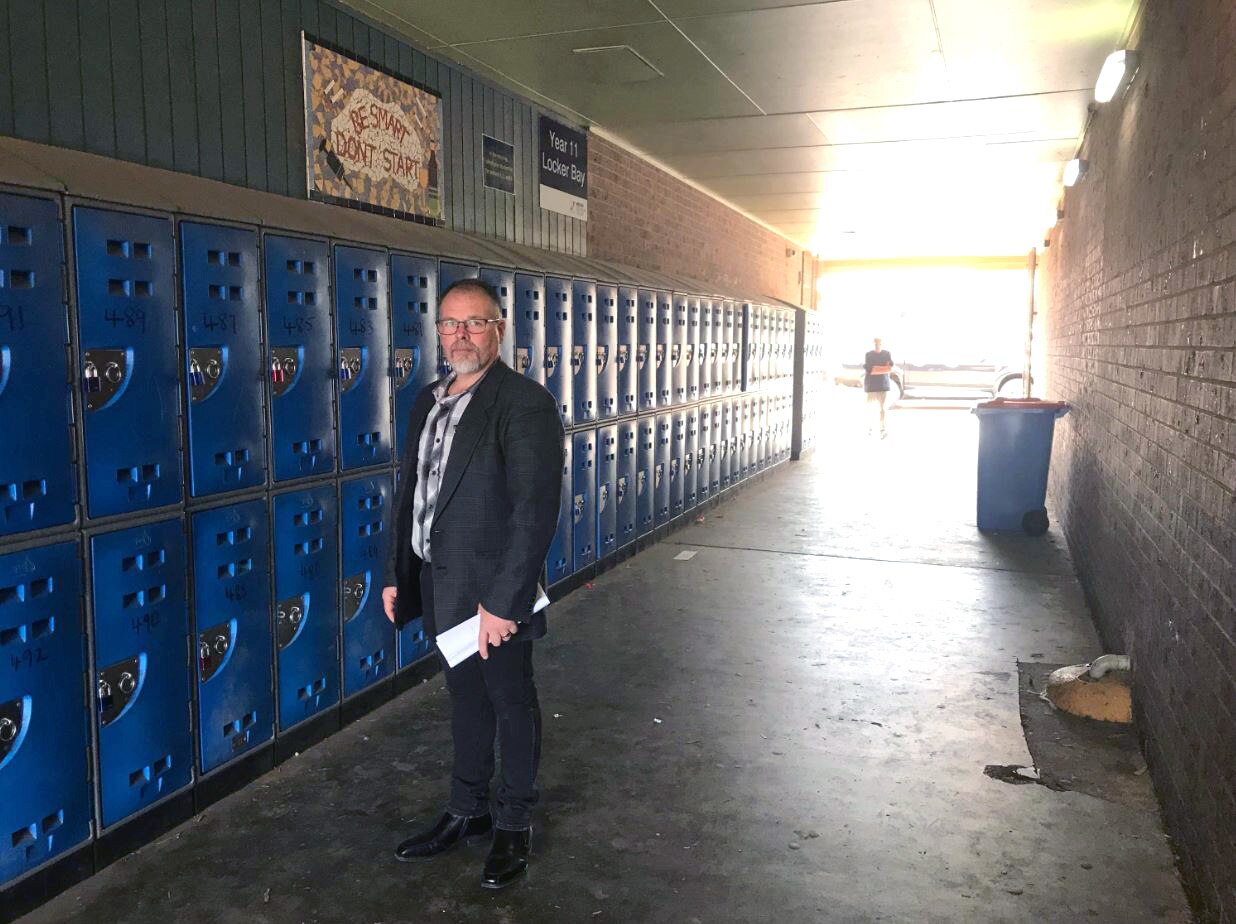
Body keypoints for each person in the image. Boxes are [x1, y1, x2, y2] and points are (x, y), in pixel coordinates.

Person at [383, 278, 564, 889]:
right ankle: (469, 809)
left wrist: (505, 602)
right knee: (465, 700)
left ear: (499, 329)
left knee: (511, 701)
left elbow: (533, 512)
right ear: (438, 331)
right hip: (440, 582)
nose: (461, 334)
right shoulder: (428, 400)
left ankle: (514, 822)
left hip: (493, 595)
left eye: (475, 323)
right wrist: (398, 574)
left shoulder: (523, 404)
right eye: (450, 324)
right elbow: (411, 495)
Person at [863, 337, 894, 438]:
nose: (877, 345)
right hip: (871, 386)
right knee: (870, 409)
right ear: (872, 344)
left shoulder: (887, 354)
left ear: (882, 344)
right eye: (875, 343)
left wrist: (877, 368)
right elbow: (871, 371)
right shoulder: (869, 355)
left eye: (879, 343)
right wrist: (882, 368)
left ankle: (882, 429)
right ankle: (869, 429)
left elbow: (889, 368)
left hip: (883, 385)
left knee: (882, 409)